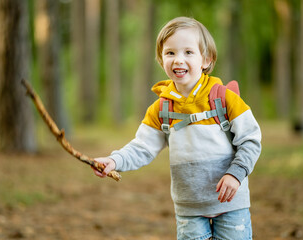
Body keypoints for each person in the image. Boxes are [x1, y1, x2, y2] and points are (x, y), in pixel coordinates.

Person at [92, 16, 261, 240]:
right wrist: (115, 161)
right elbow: (142, 147)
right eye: (170, 53)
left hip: (231, 201)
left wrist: (236, 174)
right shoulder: (161, 108)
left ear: (206, 59)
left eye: (188, 52)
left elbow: (251, 140)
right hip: (189, 207)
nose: (178, 60)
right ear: (161, 60)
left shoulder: (224, 99)